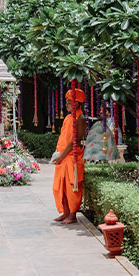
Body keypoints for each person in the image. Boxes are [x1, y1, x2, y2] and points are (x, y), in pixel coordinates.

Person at [52, 86, 87, 224]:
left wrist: (61, 156)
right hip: (62, 157)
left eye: (68, 101)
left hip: (72, 158)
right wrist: (58, 155)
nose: (66, 104)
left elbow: (75, 140)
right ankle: (65, 212)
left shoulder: (80, 118)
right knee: (60, 187)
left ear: (76, 103)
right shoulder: (68, 117)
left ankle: (72, 215)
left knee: (72, 187)